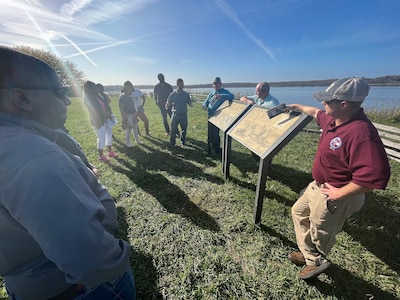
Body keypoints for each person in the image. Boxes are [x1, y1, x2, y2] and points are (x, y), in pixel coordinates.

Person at [0, 47, 135, 299]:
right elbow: (92, 259)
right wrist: (120, 257)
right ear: (22, 98)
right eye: (59, 92)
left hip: (29, 285)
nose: (67, 101)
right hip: (80, 288)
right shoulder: (33, 157)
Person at [285, 77, 391, 280]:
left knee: (320, 231)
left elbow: (374, 177)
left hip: (334, 195)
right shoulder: (334, 119)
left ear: (344, 104)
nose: (323, 104)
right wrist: (295, 105)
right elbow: (315, 112)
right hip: (317, 186)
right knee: (298, 212)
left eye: (328, 101)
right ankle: (310, 255)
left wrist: (340, 193)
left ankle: (316, 261)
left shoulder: (361, 133)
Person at [84, 80, 118, 162]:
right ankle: (101, 156)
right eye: (93, 87)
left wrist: (109, 113)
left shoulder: (99, 96)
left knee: (109, 135)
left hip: (106, 120)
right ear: (89, 89)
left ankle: (110, 152)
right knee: (101, 138)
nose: (95, 88)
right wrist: (103, 115)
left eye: (95, 87)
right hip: (98, 121)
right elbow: (93, 110)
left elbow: (107, 106)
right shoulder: (87, 99)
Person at [202, 77, 234, 155]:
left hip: (218, 117)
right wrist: (204, 106)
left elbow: (231, 96)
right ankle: (211, 148)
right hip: (210, 116)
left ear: (220, 84)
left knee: (215, 134)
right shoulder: (211, 93)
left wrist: (221, 96)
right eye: (214, 83)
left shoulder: (224, 91)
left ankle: (217, 150)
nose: (216, 85)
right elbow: (205, 102)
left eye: (217, 83)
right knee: (210, 134)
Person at [166, 78, 193, 148]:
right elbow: (168, 101)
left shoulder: (186, 94)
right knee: (173, 130)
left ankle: (182, 142)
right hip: (175, 115)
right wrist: (167, 104)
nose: (183, 85)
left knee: (184, 130)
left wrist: (191, 104)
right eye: (181, 84)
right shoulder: (173, 94)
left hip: (183, 115)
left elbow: (189, 102)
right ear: (177, 84)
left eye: (183, 84)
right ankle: (172, 143)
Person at [119, 81, 142, 146]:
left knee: (135, 127)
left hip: (133, 114)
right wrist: (124, 116)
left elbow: (134, 106)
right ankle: (127, 142)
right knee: (129, 128)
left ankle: (137, 140)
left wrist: (135, 114)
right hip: (127, 115)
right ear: (125, 91)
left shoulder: (131, 97)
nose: (131, 92)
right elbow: (121, 108)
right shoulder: (122, 98)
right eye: (129, 90)